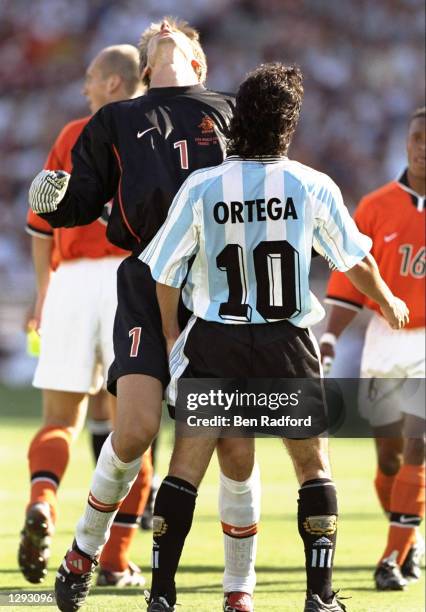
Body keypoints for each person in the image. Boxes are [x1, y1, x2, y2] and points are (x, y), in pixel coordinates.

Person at [141, 62, 410, 612]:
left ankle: (162, 593)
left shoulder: (204, 185)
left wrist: (172, 334)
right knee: (313, 467)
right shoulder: (310, 184)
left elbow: (164, 269)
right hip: (286, 342)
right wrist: (386, 298)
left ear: (239, 120)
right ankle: (320, 595)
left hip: (215, 338)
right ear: (289, 124)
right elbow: (355, 260)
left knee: (186, 469)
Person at [28, 18, 260, 612]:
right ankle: (84, 551)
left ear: (199, 63)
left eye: (176, 38)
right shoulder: (115, 119)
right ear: (145, 69)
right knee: (131, 432)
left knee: (234, 443)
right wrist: (55, 200)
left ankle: (239, 590)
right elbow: (82, 202)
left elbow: (266, 191)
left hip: (217, 289)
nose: (163, 39)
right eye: (153, 42)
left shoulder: (235, 110)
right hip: (143, 278)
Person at [20, 44, 152, 589]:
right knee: (133, 430)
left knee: (58, 421)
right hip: (129, 278)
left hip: (72, 282)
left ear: (116, 84)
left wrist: (43, 294)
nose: (85, 88)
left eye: (93, 78)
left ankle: (44, 501)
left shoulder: (71, 134)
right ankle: (116, 560)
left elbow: (41, 223)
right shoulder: (154, 133)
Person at [320, 107, 425, 591]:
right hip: (384, 339)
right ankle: (409, 532)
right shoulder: (376, 205)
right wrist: (330, 336)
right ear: (406, 143)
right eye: (417, 138)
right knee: (387, 457)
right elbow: (349, 283)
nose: (422, 147)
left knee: (417, 447)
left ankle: (391, 557)